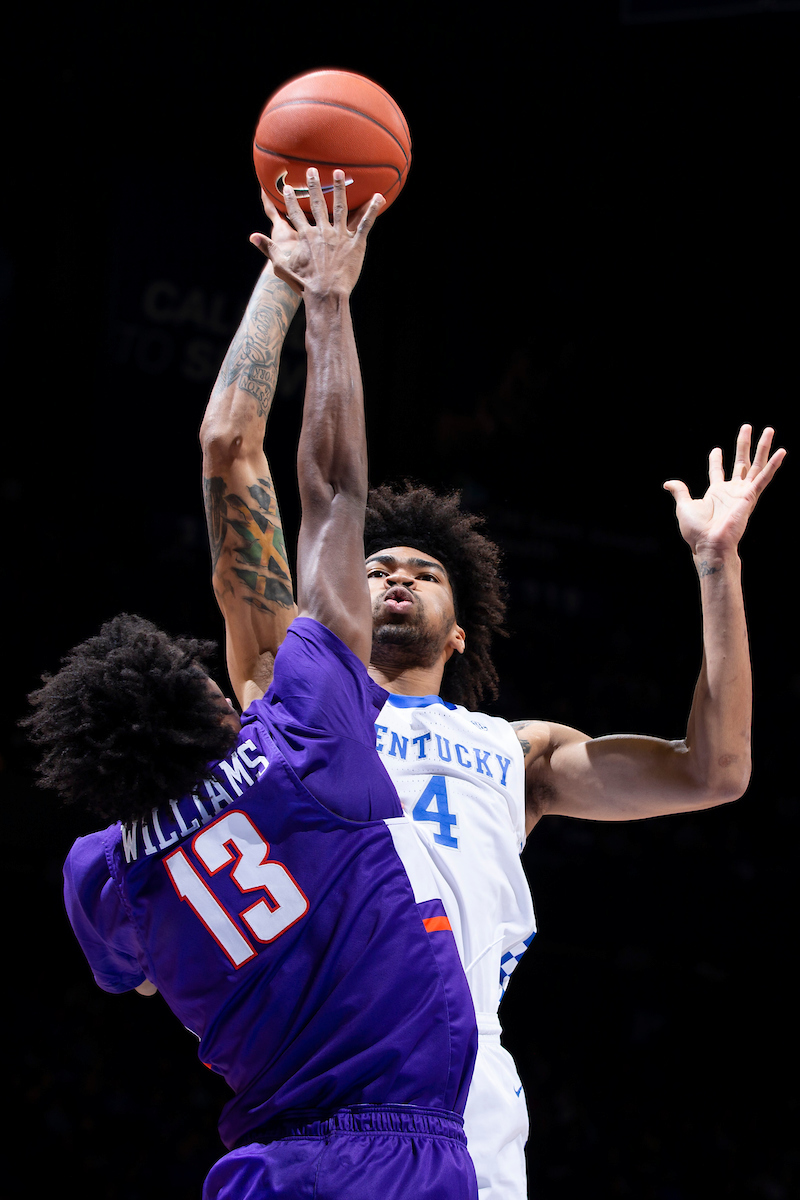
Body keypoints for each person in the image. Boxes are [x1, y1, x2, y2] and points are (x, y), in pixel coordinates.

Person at [201, 187, 786, 1200]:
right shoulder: (287, 690)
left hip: (467, 1117)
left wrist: (715, 566)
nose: (391, 575)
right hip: (320, 1093)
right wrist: (289, 277)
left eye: (422, 571)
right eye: (375, 563)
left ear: (459, 626)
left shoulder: (514, 754)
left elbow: (715, 772)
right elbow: (229, 451)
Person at [26, 170, 479, 1200]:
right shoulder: (302, 719)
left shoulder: (101, 869)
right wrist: (312, 288)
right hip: (392, 1141)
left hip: (270, 1158)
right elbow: (325, 492)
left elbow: (133, 971)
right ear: (218, 706)